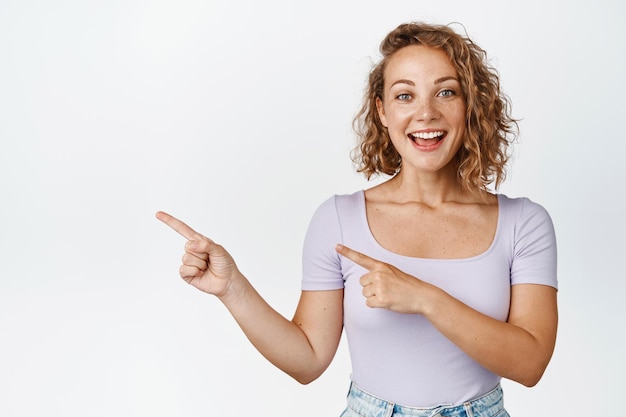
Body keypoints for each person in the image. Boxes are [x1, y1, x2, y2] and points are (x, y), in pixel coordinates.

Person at [156, 21, 558, 417]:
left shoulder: (523, 223)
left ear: (470, 105)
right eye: (405, 96)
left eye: (446, 92)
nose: (425, 113)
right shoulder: (340, 219)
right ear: (382, 111)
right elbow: (308, 359)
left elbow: (530, 365)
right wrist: (232, 288)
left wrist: (424, 298)